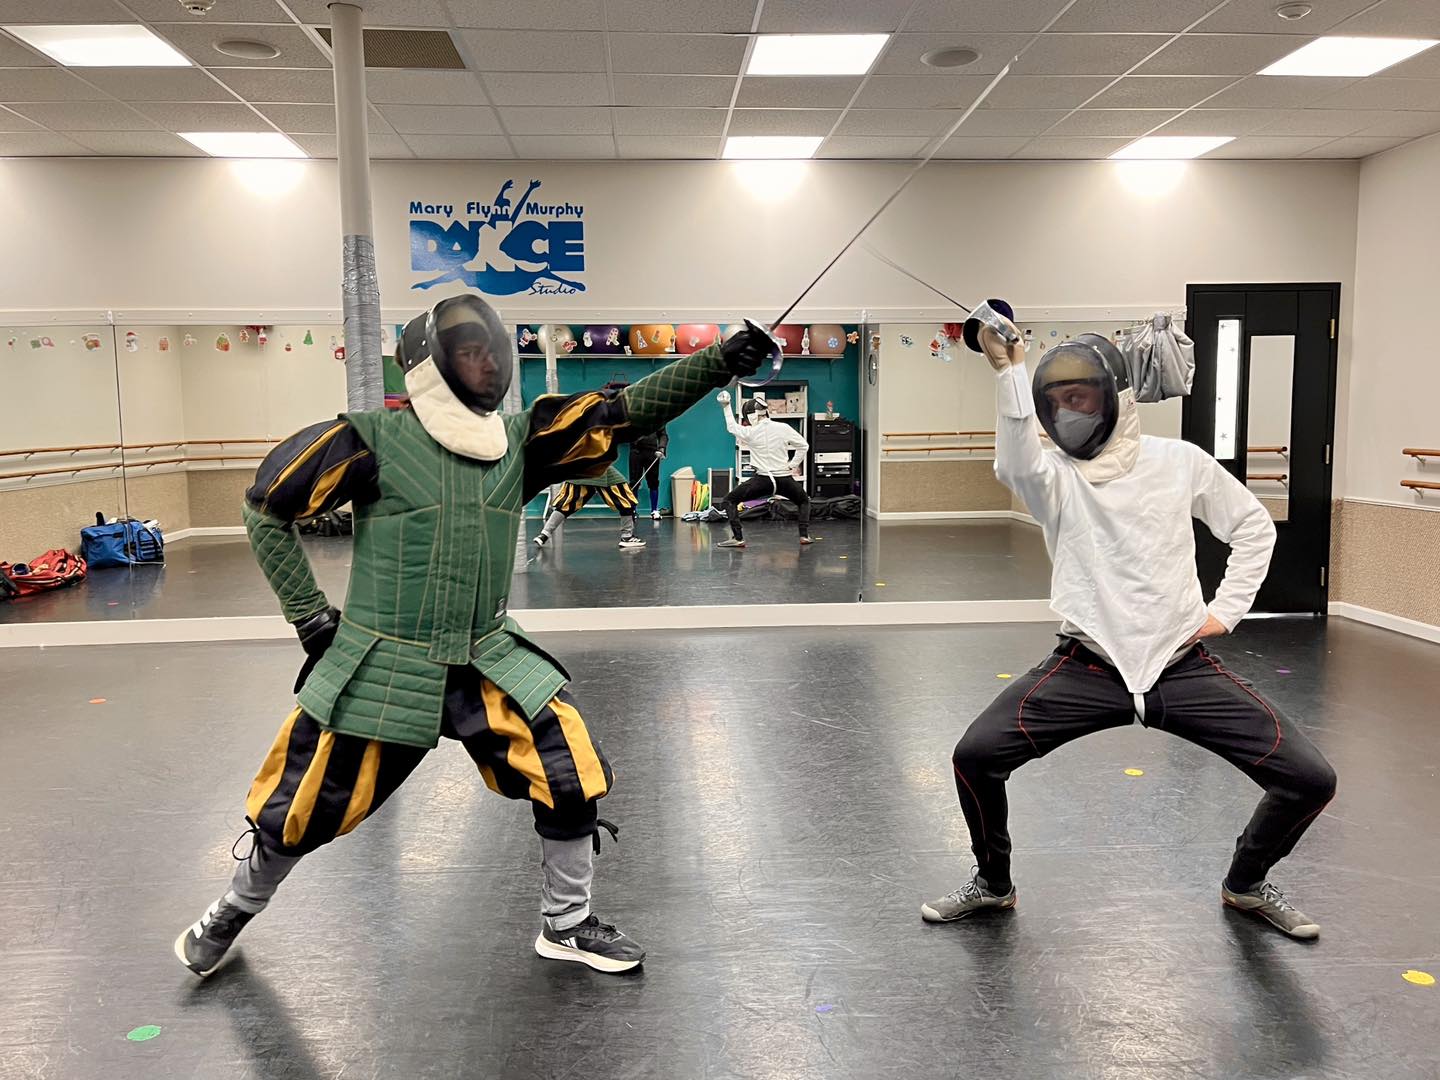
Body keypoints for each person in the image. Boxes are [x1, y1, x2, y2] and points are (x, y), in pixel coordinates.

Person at [174, 294, 773, 978]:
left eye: (491, 350)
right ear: (430, 362)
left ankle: (567, 923)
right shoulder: (370, 439)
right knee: (303, 808)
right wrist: (310, 616)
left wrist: (719, 362)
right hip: (383, 661)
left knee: (568, 768)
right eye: (470, 351)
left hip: (486, 655)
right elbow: (266, 507)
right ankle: (231, 909)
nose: (488, 364)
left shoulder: (518, 443)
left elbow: (622, 410)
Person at [922, 313, 1336, 940]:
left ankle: (1247, 885)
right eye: (1054, 402)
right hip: (1085, 667)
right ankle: (994, 885)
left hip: (1179, 668)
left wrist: (1226, 611)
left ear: (1113, 398)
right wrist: (1009, 374)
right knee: (975, 757)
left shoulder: (1180, 462)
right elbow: (1015, 465)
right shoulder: (1054, 478)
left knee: (1310, 780)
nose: (1067, 413)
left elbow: (1252, 526)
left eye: (1078, 397)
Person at [713, 391, 813, 549]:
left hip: (763, 480)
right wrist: (792, 465)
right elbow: (803, 446)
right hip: (784, 479)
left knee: (729, 500)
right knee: (804, 501)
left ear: (751, 415)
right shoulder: (783, 427)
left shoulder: (750, 432)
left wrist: (726, 406)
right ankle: (804, 536)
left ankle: (738, 538)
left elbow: (731, 427)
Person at [533, 464, 646, 549]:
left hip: (579, 470)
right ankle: (627, 537)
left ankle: (543, 535)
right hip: (598, 468)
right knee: (626, 500)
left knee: (565, 506)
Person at [630, 424, 668, 520]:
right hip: (636, 451)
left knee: (653, 482)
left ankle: (654, 510)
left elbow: (663, 435)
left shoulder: (658, 418)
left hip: (652, 453)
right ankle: (632, 511)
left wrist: (662, 448)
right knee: (634, 482)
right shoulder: (633, 416)